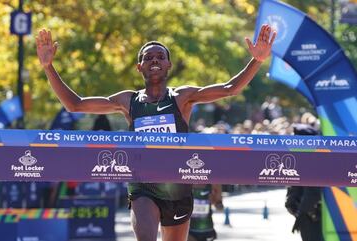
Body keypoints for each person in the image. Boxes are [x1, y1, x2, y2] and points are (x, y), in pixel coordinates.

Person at [36, 24, 276, 241]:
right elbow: (75, 105)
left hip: (178, 187)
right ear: (139, 66)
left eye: (161, 56)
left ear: (168, 65)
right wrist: (48, 67)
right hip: (143, 186)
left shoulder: (182, 97)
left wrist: (256, 61)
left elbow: (230, 89)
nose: (154, 60)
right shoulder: (128, 101)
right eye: (148, 57)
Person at [285, 123, 323, 241]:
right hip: (304, 213)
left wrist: (301, 215)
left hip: (311, 215)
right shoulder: (300, 158)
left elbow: (312, 192)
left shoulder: (312, 161)